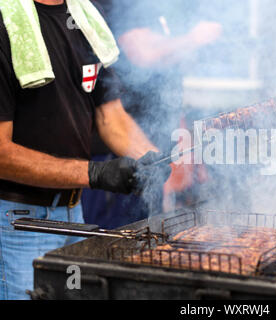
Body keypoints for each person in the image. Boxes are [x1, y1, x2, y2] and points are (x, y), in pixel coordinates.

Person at [0, 0, 170, 300]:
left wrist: (151, 159)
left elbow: (110, 116)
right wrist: (94, 172)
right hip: (17, 222)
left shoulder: (84, 15)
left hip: (75, 218)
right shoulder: (6, 21)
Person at [82, 0, 222, 229]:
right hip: (115, 157)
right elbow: (142, 54)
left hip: (146, 152)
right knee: (111, 242)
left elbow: (166, 80)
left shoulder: (154, 9)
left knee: (143, 237)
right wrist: (194, 38)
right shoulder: (123, 4)